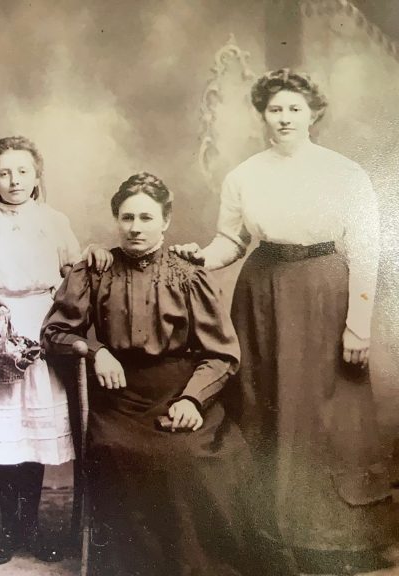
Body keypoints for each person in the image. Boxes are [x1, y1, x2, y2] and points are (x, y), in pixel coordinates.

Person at [171, 69, 396, 574]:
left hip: (325, 292)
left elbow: (367, 250)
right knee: (263, 405)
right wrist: (200, 257)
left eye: (295, 108)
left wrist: (358, 324)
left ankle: (336, 541)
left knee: (327, 412)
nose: (285, 118)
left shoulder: (345, 173)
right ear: (263, 115)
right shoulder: (245, 175)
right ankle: (270, 537)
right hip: (263, 294)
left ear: (313, 113)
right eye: (275, 109)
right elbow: (231, 241)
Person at [41, 172, 261, 576]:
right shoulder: (95, 270)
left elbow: (221, 352)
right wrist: (96, 351)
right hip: (118, 398)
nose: (135, 228)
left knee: (189, 456)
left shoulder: (188, 274)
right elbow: (54, 333)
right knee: (122, 453)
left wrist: (193, 399)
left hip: (180, 389)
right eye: (127, 217)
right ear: (116, 219)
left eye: (146, 217)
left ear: (165, 220)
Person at [0, 136, 110, 564]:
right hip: (1, 326)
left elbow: (73, 270)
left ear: (37, 176)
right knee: (8, 429)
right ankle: (10, 528)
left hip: (44, 326)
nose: (14, 180)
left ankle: (32, 526)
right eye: (4, 173)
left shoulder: (54, 221)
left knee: (33, 430)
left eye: (23, 171)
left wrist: (91, 255)